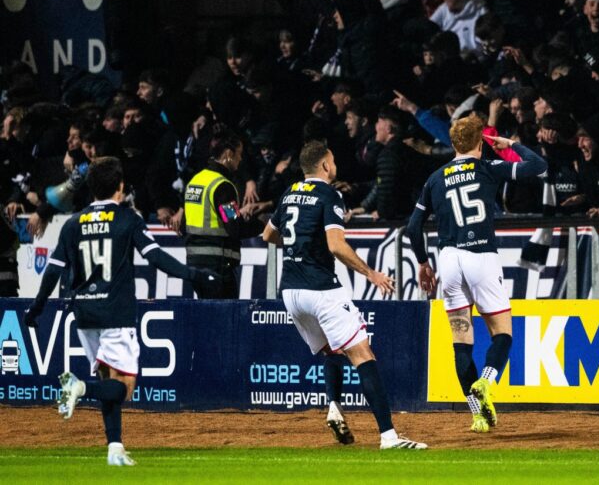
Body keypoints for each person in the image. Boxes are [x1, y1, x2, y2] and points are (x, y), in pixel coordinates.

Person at [22, 157, 217, 466]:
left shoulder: (74, 224)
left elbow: (54, 270)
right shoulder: (128, 219)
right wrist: (193, 275)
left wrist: (37, 306)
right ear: (121, 187)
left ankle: (114, 448)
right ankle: (79, 387)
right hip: (115, 311)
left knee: (107, 381)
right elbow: (155, 258)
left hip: (84, 315)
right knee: (123, 388)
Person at [262, 141, 427, 450]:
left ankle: (335, 408)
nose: (335, 165)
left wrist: (301, 245)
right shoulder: (329, 194)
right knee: (364, 354)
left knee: (333, 351)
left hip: (292, 293)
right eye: (334, 159)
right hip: (321, 288)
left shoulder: (289, 193)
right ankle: (389, 437)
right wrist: (372, 274)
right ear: (325, 166)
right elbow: (336, 245)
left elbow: (268, 235)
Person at [406, 116, 547, 433]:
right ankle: (486, 382)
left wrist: (422, 263)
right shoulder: (488, 168)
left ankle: (478, 415)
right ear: (480, 142)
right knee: (502, 334)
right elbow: (537, 166)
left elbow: (413, 227)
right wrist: (510, 144)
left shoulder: (435, 179)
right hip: (481, 257)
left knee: (461, 342)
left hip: (449, 261)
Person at [183, 126, 263, 298]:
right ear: (228, 154)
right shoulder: (222, 186)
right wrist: (262, 225)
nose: (241, 159)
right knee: (225, 321)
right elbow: (234, 227)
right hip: (218, 265)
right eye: (239, 153)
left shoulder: (195, 181)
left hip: (194, 263)